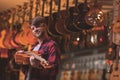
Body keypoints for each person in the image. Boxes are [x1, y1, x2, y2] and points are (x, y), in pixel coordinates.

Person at [16, 16, 61, 80]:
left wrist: (38, 65)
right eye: (33, 28)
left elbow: (54, 70)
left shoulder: (52, 45)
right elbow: (27, 72)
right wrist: (22, 62)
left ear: (45, 26)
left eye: (38, 26)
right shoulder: (33, 48)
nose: (35, 30)